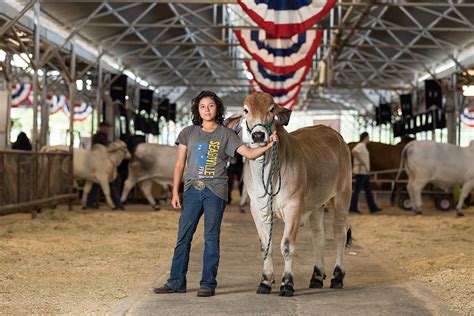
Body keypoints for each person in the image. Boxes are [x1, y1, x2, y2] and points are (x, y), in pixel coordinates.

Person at [153, 90, 277, 297]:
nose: (207, 110)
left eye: (211, 106)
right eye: (202, 106)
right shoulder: (188, 133)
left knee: (211, 238)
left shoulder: (227, 134)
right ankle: (175, 281)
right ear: (197, 110)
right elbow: (179, 165)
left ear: (217, 108)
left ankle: (208, 284)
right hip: (192, 191)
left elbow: (249, 153)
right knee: (183, 237)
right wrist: (175, 192)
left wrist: (269, 144)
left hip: (215, 193)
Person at [85, 122, 123, 210]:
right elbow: (107, 147)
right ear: (102, 128)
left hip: (101, 165)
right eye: (107, 128)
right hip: (100, 165)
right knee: (107, 184)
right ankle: (116, 204)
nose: (108, 130)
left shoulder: (103, 137)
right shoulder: (99, 137)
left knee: (97, 185)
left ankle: (89, 203)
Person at [349, 132, 382, 214]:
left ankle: (373, 208)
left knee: (368, 190)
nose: (369, 139)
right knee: (357, 190)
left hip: (364, 172)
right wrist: (361, 162)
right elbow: (353, 152)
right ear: (366, 137)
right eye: (368, 137)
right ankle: (353, 207)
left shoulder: (363, 146)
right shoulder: (360, 145)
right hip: (361, 171)